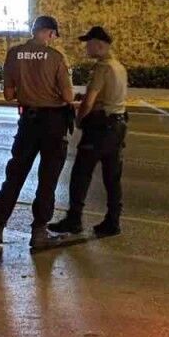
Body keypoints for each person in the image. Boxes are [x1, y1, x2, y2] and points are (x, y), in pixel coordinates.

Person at [0, 15, 74, 249]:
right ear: (49, 32)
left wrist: (28, 89)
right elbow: (67, 96)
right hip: (53, 123)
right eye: (53, 35)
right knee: (48, 178)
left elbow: (8, 95)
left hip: (27, 122)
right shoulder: (55, 57)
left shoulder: (14, 54)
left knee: (15, 175)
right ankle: (39, 231)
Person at [49, 26, 129, 238]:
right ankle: (113, 221)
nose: (86, 47)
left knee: (81, 173)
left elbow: (89, 100)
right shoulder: (119, 67)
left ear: (99, 45)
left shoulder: (102, 68)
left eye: (89, 43)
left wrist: (79, 119)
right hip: (118, 125)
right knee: (112, 177)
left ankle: (74, 219)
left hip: (100, 128)